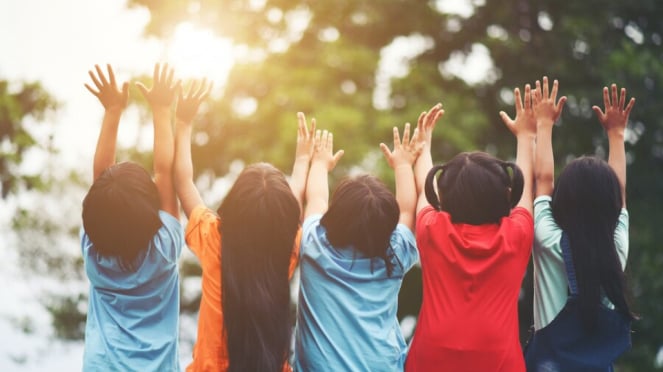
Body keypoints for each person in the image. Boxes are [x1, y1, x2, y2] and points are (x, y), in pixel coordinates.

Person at [175, 88, 314, 372]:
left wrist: (184, 122)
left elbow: (183, 182)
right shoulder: (286, 250)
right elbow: (292, 209)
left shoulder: (214, 239)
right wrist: (302, 161)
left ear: (233, 206)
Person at [405, 92, 536, 371]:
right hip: (499, 362)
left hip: (430, 360)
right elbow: (527, 191)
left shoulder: (432, 231)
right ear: (506, 194)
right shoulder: (516, 236)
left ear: (444, 198)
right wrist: (526, 137)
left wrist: (424, 146)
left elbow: (424, 192)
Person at [526, 79, 637, 371]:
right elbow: (620, 194)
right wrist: (617, 133)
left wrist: (544, 124)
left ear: (562, 200)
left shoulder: (547, 240)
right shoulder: (617, 247)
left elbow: (543, 182)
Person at [293, 123, 422, 371]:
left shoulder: (314, 247)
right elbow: (407, 210)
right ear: (388, 226)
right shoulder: (395, 254)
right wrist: (404, 166)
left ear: (336, 215)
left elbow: (317, 199)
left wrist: (319, 163)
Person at [81, 63, 183, 371]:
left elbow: (101, 176)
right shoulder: (164, 249)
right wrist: (163, 110)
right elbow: (165, 171)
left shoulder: (93, 252)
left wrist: (113, 110)